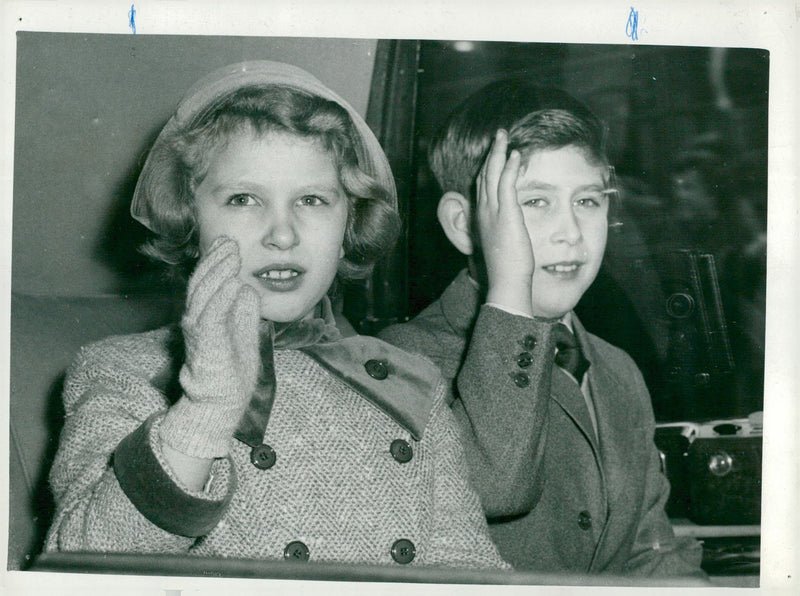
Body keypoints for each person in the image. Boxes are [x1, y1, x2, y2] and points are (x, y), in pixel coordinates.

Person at [44, 61, 508, 570]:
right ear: (189, 215)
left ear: (349, 220)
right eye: (244, 200)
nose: (282, 235)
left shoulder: (408, 384)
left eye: (312, 200)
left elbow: (472, 568)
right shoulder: (123, 372)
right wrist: (203, 413)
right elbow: (79, 565)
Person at [379, 79, 707, 579]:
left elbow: (650, 555)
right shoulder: (399, 363)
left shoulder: (618, 371)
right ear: (463, 225)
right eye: (535, 202)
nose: (571, 232)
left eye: (588, 201)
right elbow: (495, 484)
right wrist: (510, 285)